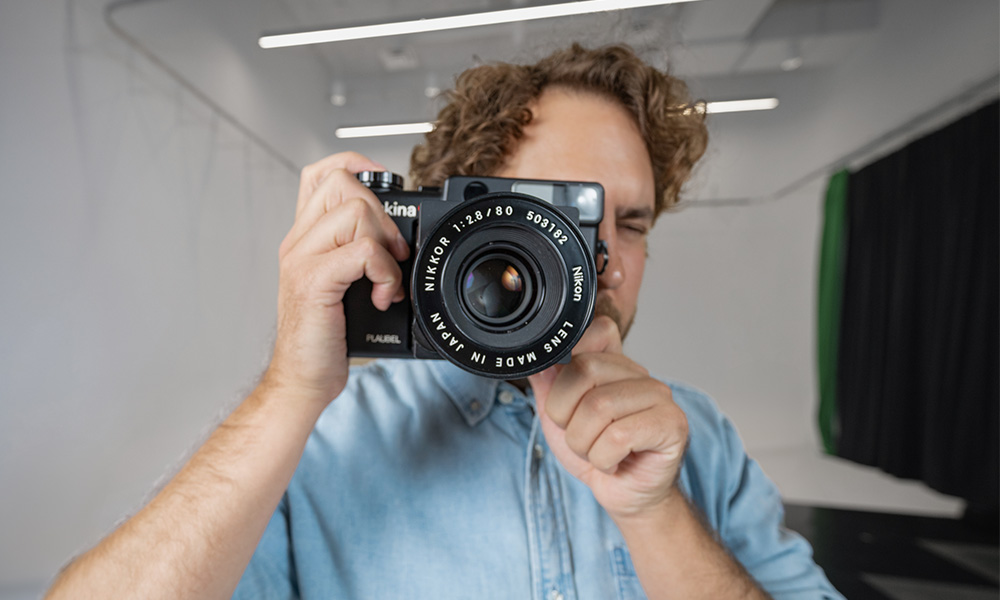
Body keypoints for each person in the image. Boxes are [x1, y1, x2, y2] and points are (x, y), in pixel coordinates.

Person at [45, 44, 843, 600]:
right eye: (554, 219)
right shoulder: (319, 443)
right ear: (451, 228)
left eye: (629, 223)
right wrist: (289, 392)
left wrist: (657, 513)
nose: (599, 260)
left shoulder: (697, 439)